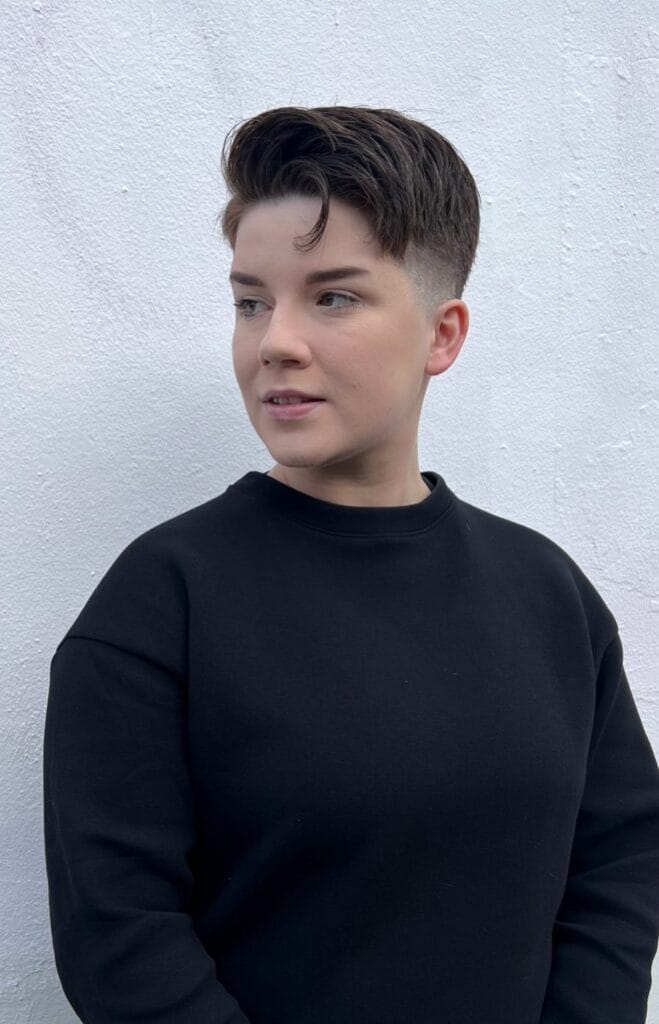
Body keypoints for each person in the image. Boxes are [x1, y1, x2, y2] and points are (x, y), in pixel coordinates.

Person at [43, 105, 659, 1023]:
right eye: (250, 301)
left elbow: (618, 859)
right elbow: (121, 940)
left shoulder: (544, 591)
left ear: (441, 335)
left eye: (331, 297)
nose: (274, 341)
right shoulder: (162, 600)